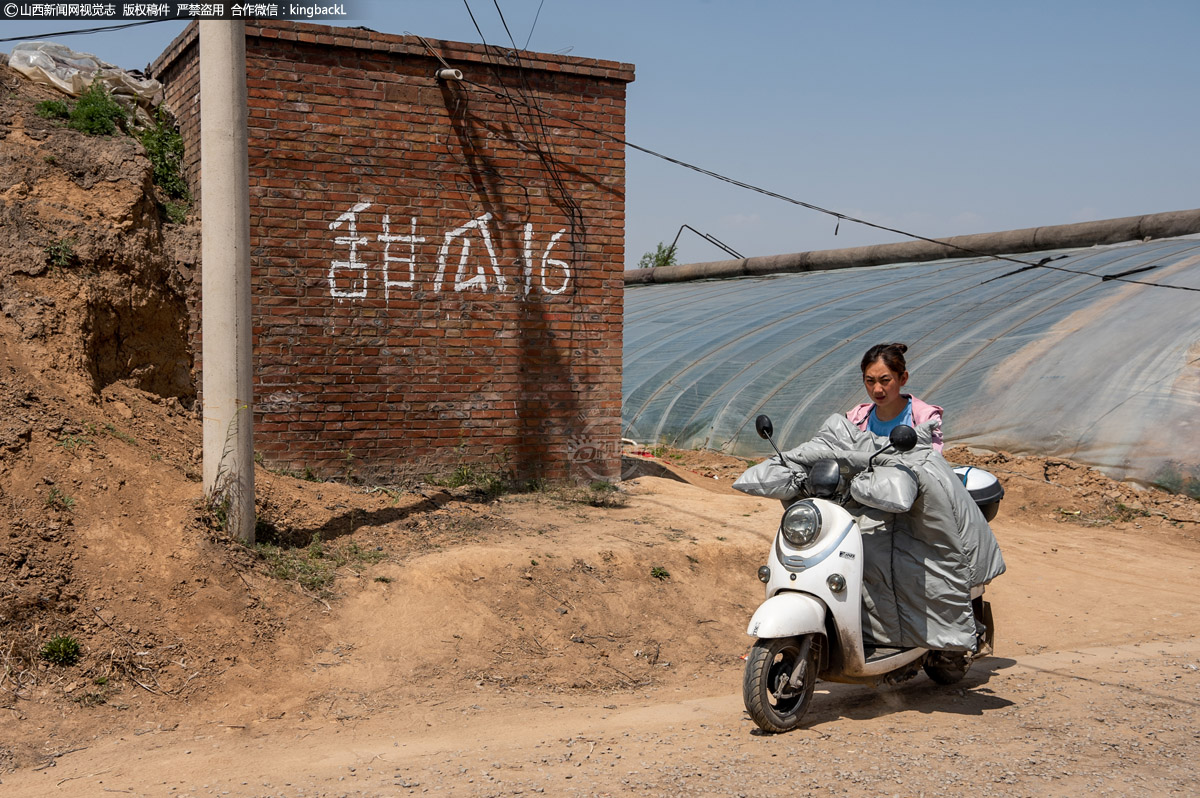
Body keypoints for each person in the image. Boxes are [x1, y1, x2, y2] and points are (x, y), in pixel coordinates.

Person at [847, 342, 944, 453]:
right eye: (870, 381)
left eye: (885, 380)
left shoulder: (924, 419)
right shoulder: (856, 419)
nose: (877, 389)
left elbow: (932, 460)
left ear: (903, 378)